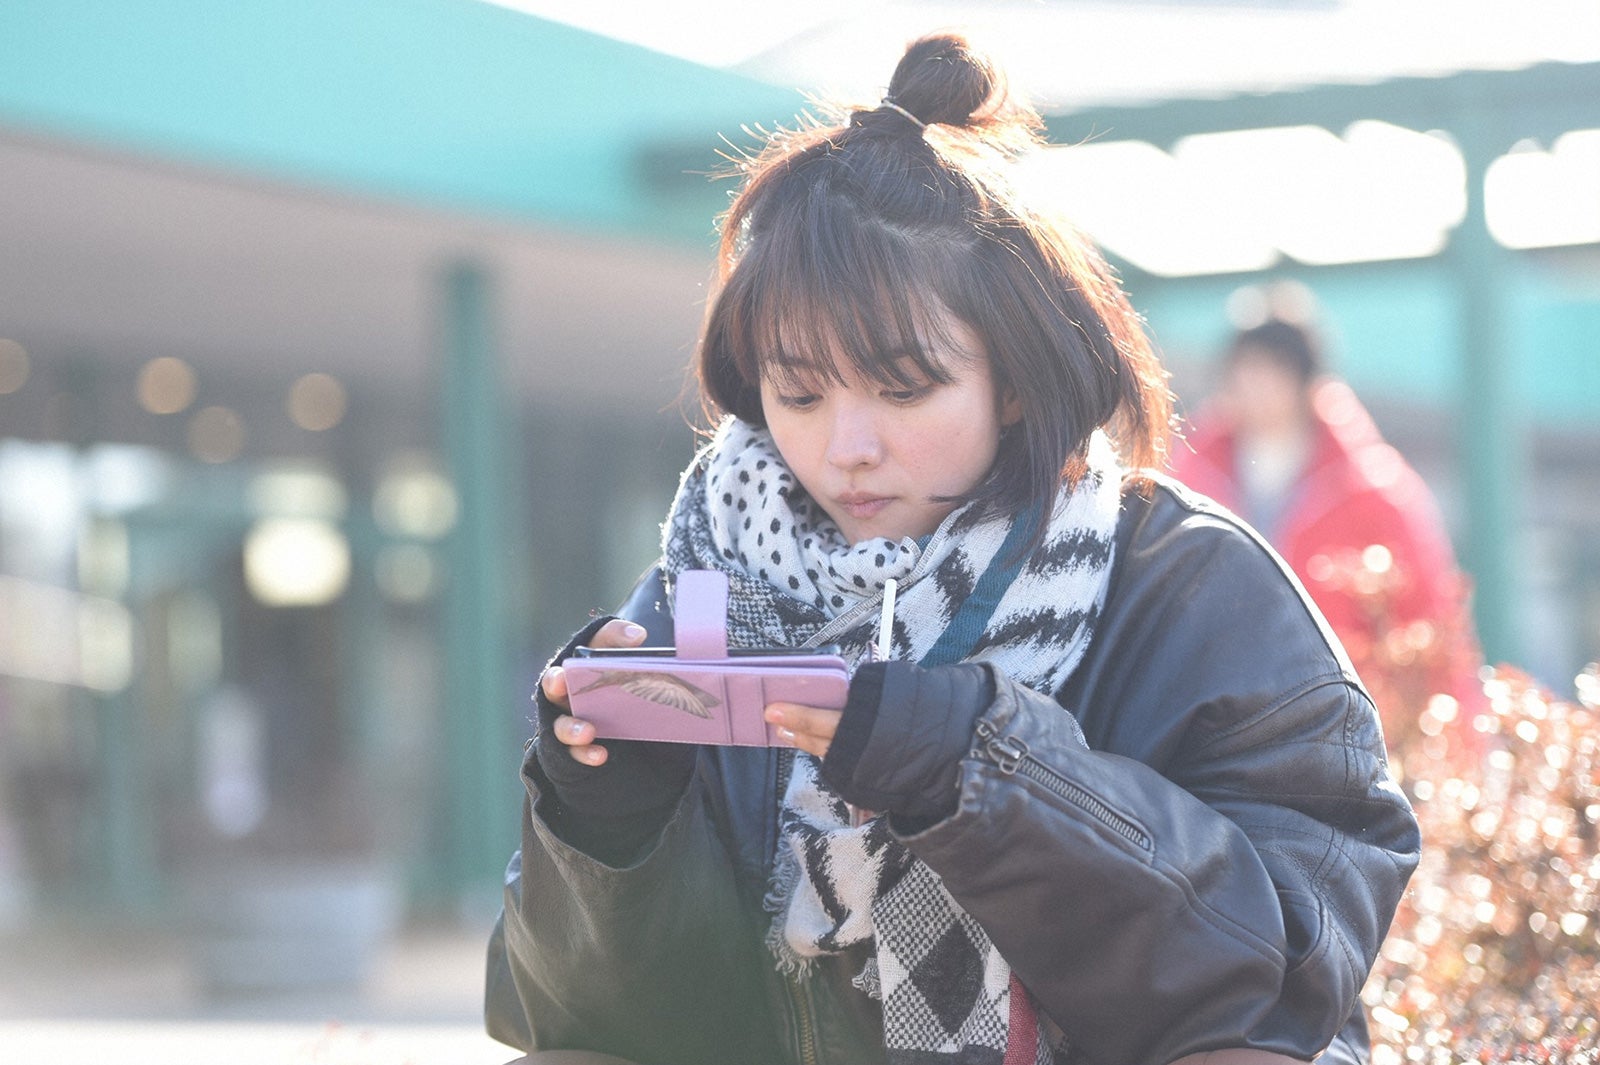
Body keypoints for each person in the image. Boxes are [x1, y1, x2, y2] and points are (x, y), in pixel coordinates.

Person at [485, 33, 1419, 1065]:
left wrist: (975, 765)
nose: (845, 448)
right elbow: (577, 1023)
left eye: (902, 388)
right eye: (798, 394)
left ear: (1013, 378)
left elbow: (1277, 970)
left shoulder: (1189, 586)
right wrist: (608, 826)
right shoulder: (705, 586)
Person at [1169, 291, 1485, 759]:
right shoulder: (1188, 472)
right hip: (1215, 723)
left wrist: (1462, 746)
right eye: (1244, 369)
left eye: (1270, 371)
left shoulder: (1372, 488)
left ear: (1304, 380)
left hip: (1344, 732)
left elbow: (1430, 621)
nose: (1254, 386)